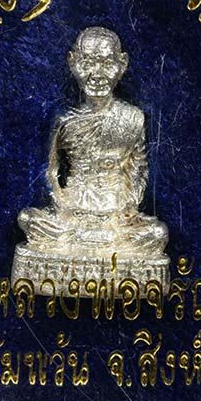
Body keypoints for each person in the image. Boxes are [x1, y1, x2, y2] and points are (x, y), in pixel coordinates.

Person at [17, 26, 168, 256]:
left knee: (157, 233)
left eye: (107, 63)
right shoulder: (65, 121)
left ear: (122, 64)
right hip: (72, 214)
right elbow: (51, 171)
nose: (97, 74)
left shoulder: (132, 118)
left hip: (116, 214)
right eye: (87, 62)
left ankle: (94, 244)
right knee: (27, 219)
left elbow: (138, 168)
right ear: (73, 62)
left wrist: (127, 207)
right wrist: (64, 206)